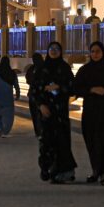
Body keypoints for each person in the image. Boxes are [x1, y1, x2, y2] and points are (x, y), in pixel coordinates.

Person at [74, 41, 104, 186]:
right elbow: (76, 88)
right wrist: (91, 90)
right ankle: (97, 171)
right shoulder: (85, 70)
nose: (95, 54)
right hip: (91, 113)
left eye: (98, 51)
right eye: (93, 51)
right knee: (93, 142)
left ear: (103, 53)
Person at [31, 41, 77, 184]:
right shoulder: (41, 69)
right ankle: (47, 169)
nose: (54, 51)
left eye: (57, 49)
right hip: (46, 112)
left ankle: (63, 172)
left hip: (61, 113)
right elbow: (34, 91)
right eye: (51, 48)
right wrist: (41, 105)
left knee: (62, 141)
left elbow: (72, 87)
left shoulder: (65, 68)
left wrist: (59, 86)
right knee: (47, 141)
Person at [0, 56, 20, 137]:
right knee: (8, 115)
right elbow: (16, 84)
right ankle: (5, 131)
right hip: (8, 96)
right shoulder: (12, 73)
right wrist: (18, 94)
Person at [24, 52, 45, 139]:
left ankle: (39, 132)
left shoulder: (33, 68)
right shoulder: (41, 68)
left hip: (35, 94)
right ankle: (40, 131)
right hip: (36, 94)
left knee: (36, 114)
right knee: (38, 114)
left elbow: (28, 80)